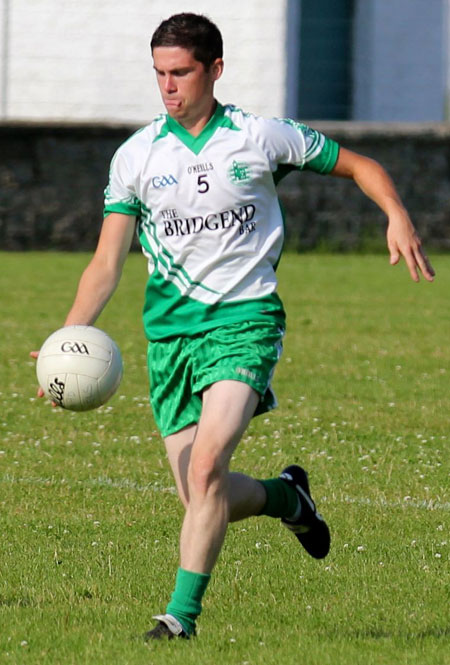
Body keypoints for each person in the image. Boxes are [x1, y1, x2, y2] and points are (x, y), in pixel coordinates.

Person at [33, 12, 435, 641]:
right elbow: (107, 262)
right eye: (160, 73)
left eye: (181, 72)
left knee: (206, 468)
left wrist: (397, 215)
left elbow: (360, 165)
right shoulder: (136, 156)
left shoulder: (260, 136)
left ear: (214, 70)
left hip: (244, 321)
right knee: (203, 496)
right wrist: (69, 339)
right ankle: (287, 498)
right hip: (170, 338)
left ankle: (178, 618)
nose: (168, 86)